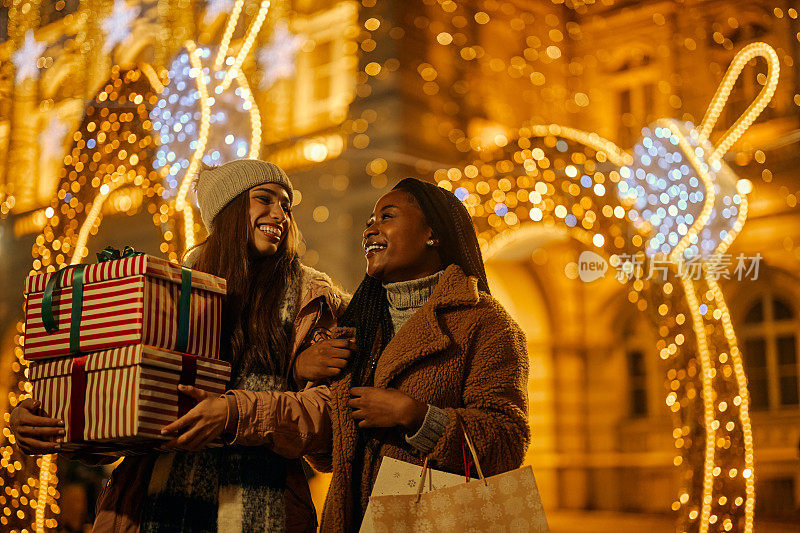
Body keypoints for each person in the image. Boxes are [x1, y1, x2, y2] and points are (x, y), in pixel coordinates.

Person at [10, 159, 353, 532]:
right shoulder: (169, 294)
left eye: (286, 205)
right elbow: (133, 414)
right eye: (264, 200)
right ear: (229, 210)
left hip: (261, 506)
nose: (280, 214)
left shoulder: (312, 299)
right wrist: (51, 424)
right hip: (152, 507)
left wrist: (233, 413)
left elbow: (332, 422)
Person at [298, 177, 531, 532]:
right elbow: (326, 457)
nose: (370, 230)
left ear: (431, 233)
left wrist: (414, 415)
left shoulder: (487, 323)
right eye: (368, 222)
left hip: (433, 520)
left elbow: (507, 442)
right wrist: (306, 373)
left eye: (386, 217)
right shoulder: (357, 327)